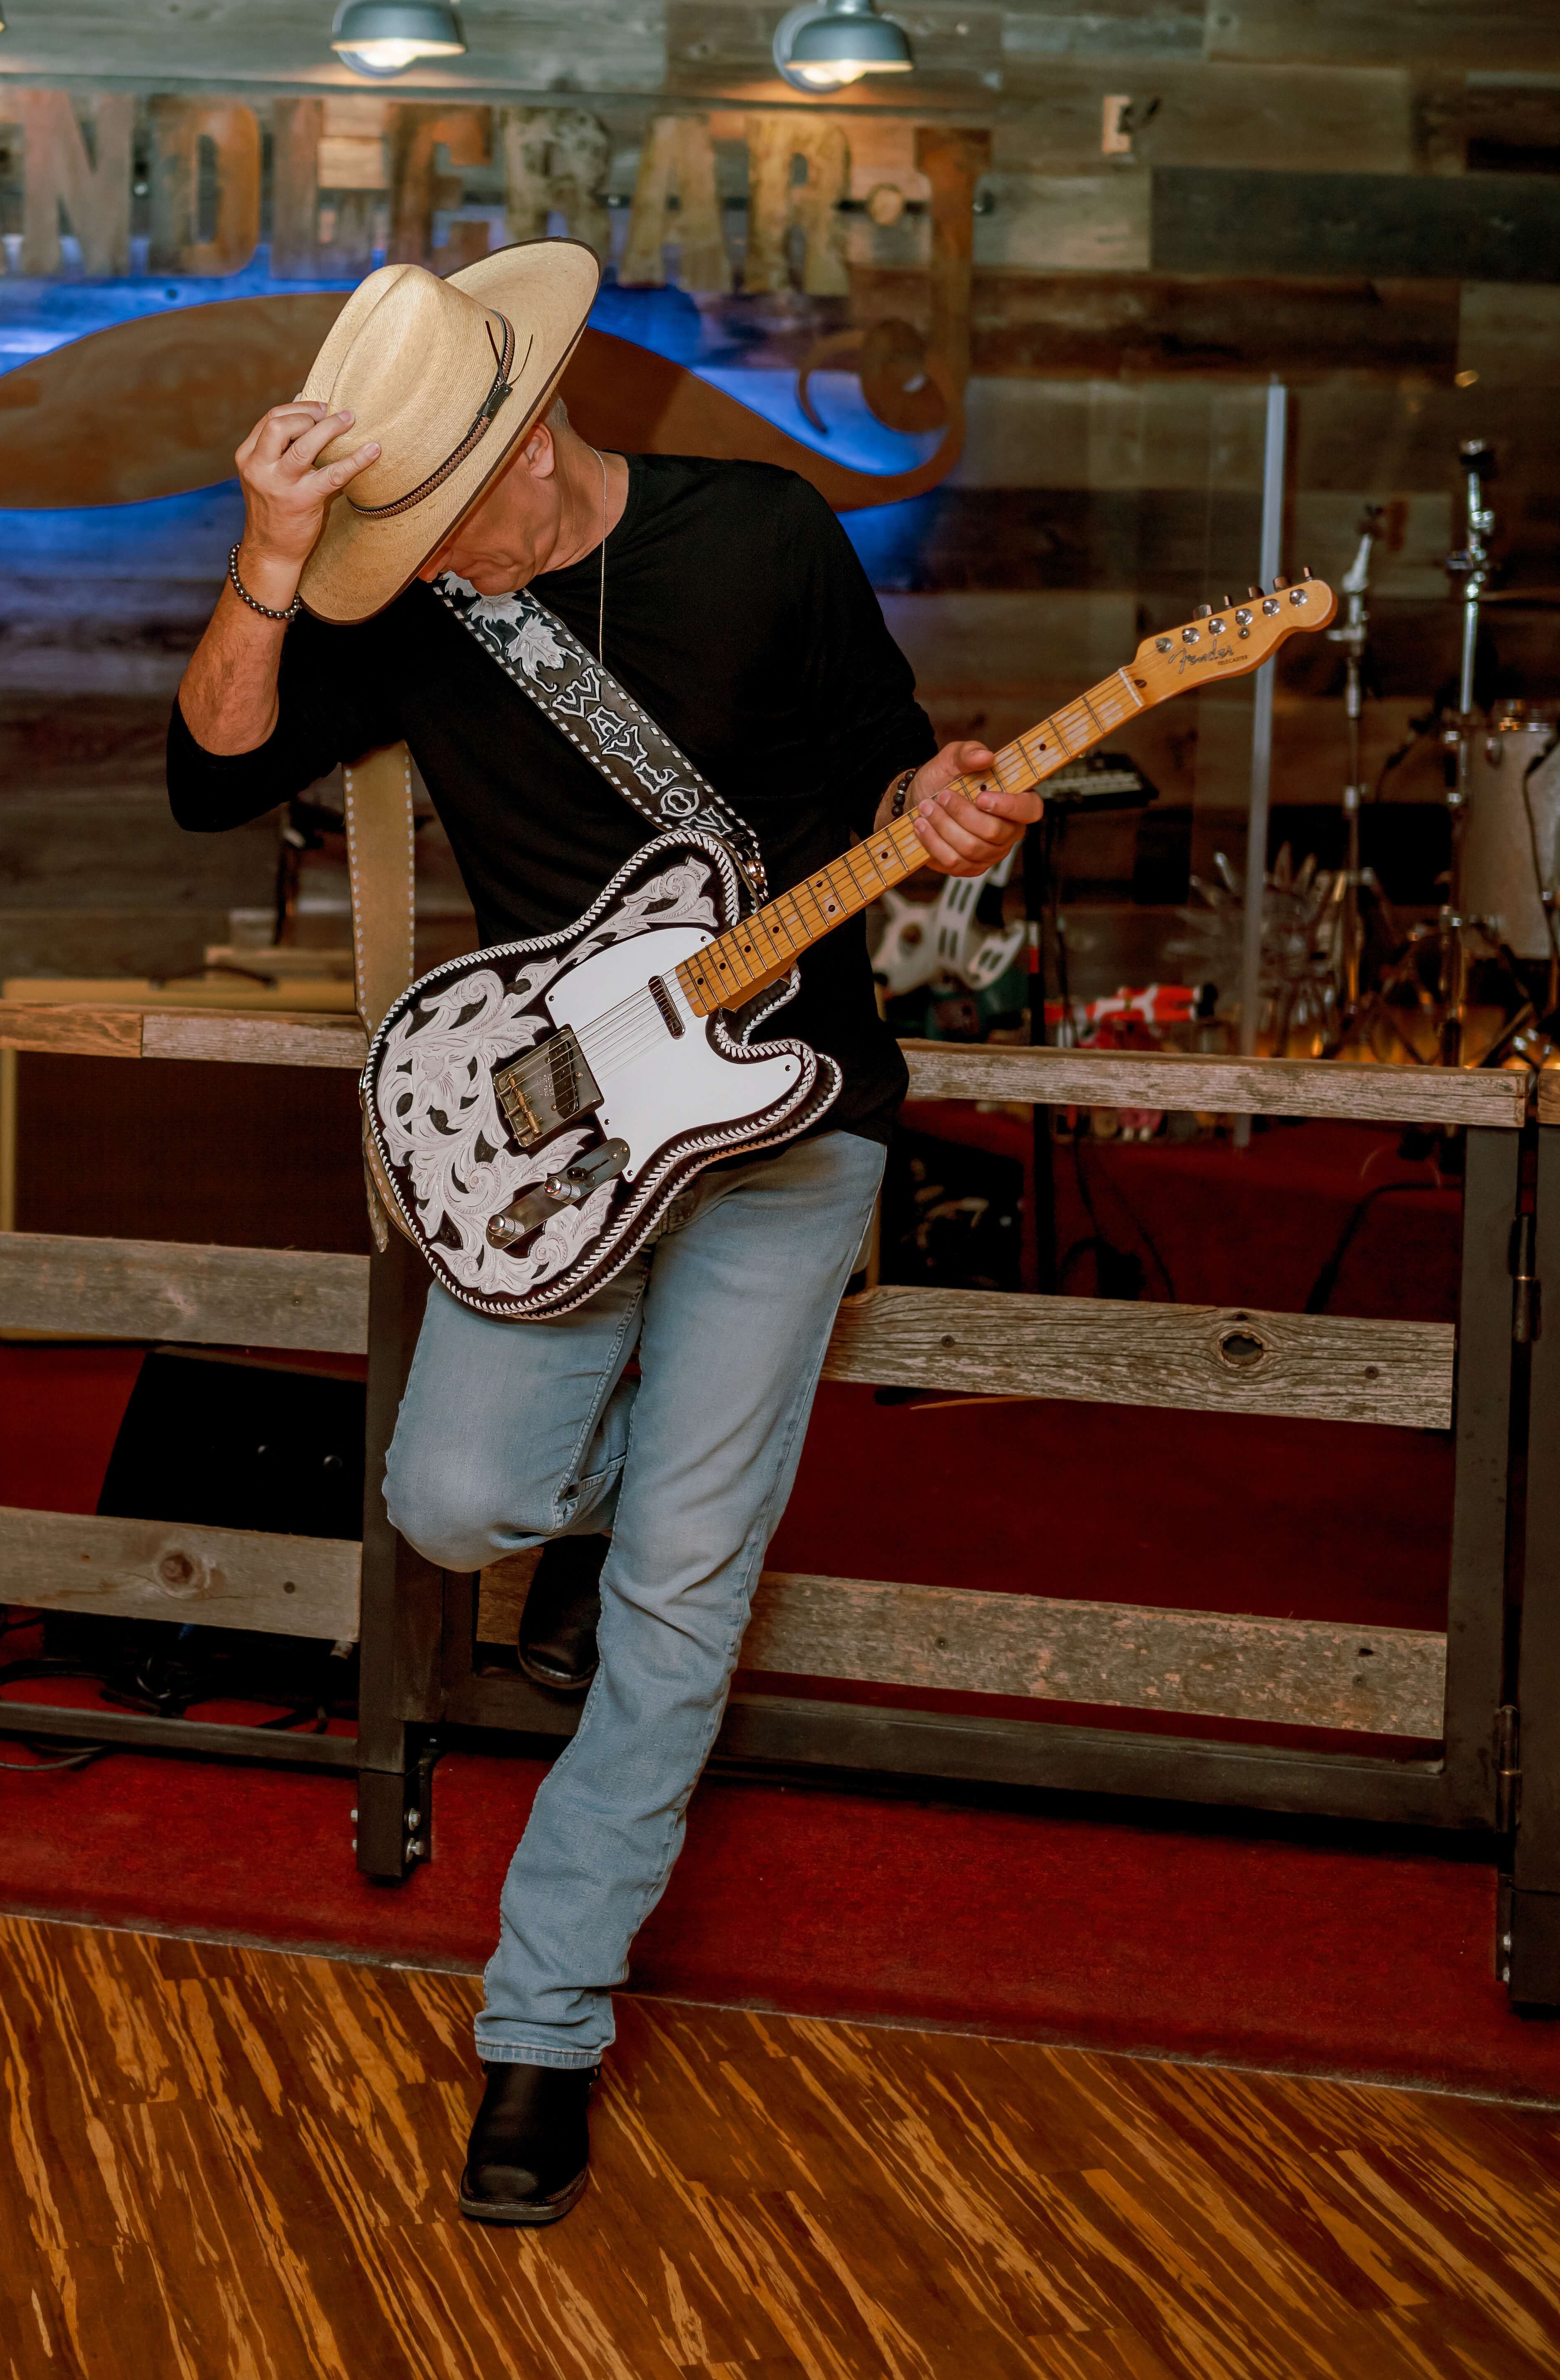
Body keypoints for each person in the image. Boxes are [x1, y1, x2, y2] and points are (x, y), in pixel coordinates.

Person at [167, 245, 1038, 2227]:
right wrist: (274, 549)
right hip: (563, 1143)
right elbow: (209, 775)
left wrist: (949, 810)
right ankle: (634, 1503)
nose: (424, 568)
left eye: (434, 521)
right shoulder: (393, 600)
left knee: (674, 1603)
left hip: (783, 1124)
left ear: (533, 436)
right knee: (460, 1503)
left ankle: (539, 2030)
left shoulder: (760, 540)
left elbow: (887, 774)